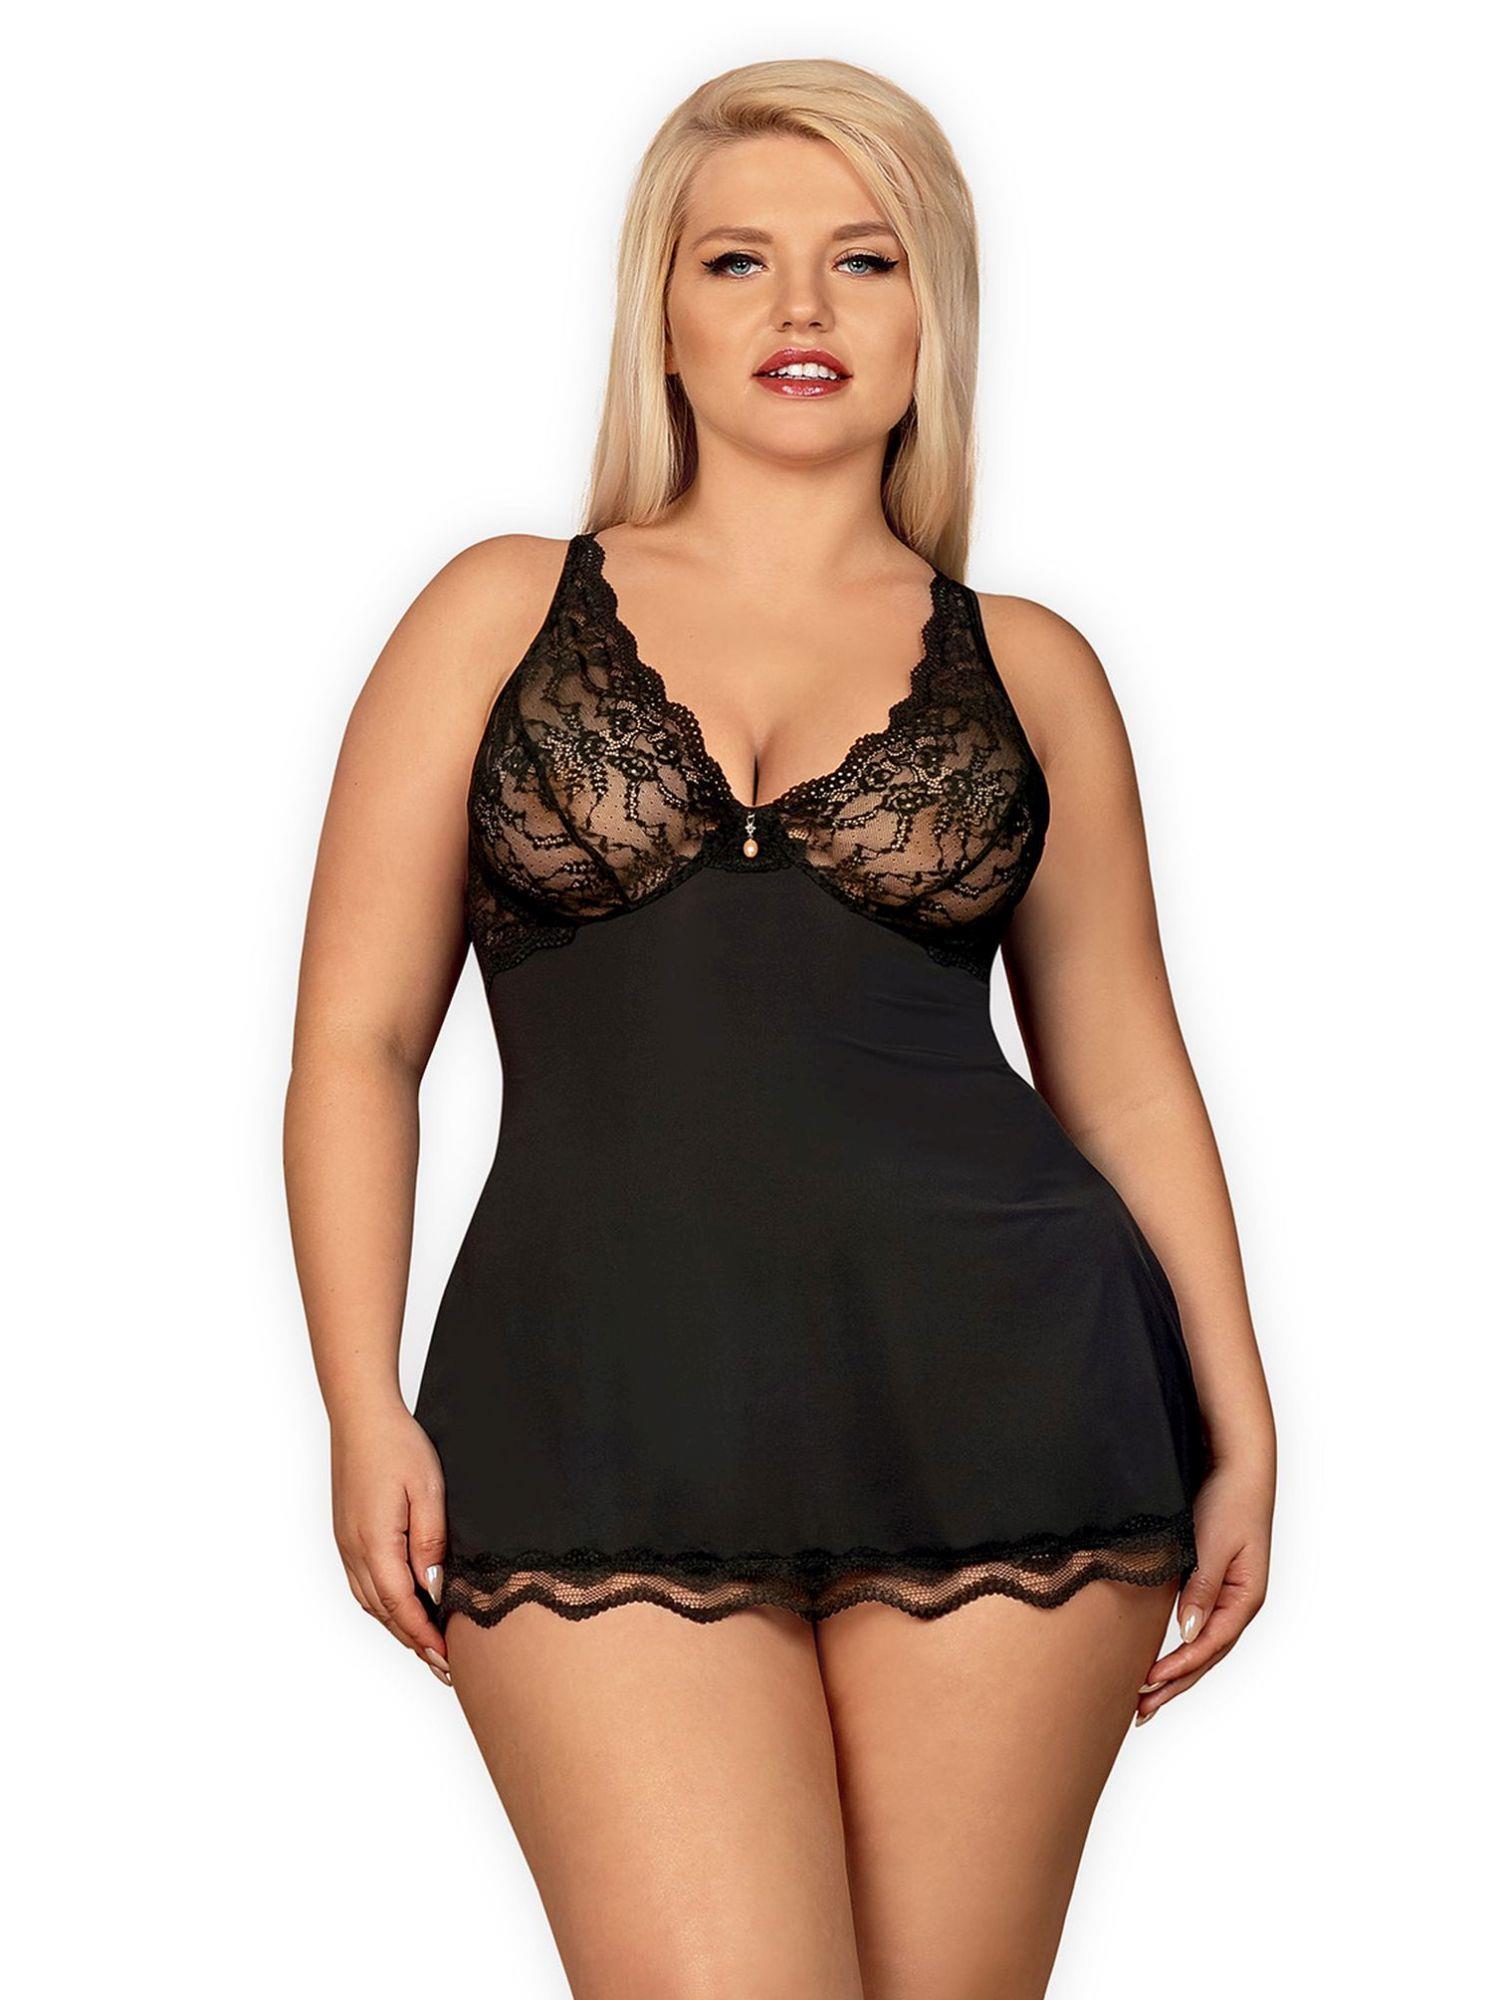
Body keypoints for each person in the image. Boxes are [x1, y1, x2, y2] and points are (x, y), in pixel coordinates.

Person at [284, 56, 1275, 2000]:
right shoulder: (494, 613)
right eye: (737, 259)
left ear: (932, 318)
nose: (801, 306)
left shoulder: (1033, 670)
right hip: (589, 1409)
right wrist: (357, 1399)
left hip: (1014, 1401)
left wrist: (1240, 1418)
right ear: (660, 312)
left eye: (865, 259)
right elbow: (356, 1046)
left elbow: (1128, 1075)